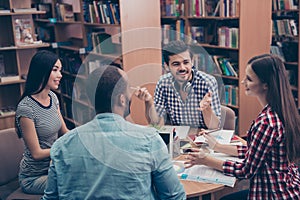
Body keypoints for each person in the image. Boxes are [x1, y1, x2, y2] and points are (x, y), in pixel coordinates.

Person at [41, 65, 186, 199]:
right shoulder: (149, 139)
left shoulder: (62, 145)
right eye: (128, 88)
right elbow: (175, 196)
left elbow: (50, 198)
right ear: (121, 100)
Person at [185, 54, 300, 199]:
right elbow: (259, 151)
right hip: (289, 184)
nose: (243, 82)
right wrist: (218, 146)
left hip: (273, 193)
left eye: (249, 79)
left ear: (266, 85)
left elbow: (246, 170)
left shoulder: (266, 122)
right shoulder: (281, 110)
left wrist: (206, 160)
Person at [15, 50, 69, 194]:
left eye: (60, 70)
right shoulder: (26, 108)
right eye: (55, 70)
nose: (60, 75)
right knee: (75, 183)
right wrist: (63, 150)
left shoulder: (53, 98)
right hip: (33, 177)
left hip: (54, 167)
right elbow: (37, 153)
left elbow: (65, 132)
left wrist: (86, 134)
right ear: (42, 71)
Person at [135, 40, 221, 129]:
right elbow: (155, 123)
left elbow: (214, 127)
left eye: (186, 62)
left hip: (203, 138)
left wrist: (206, 109)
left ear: (192, 62)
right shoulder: (163, 83)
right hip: (178, 138)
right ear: (166, 66)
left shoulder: (208, 82)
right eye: (176, 64)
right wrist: (148, 102)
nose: (182, 68)